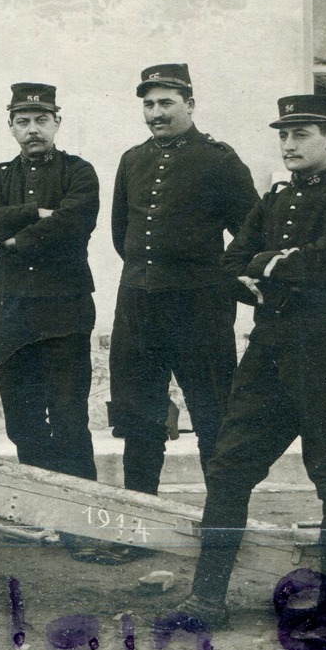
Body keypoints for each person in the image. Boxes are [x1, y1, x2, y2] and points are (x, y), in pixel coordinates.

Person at [170, 95, 326, 630]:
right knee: (229, 468)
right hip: (268, 351)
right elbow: (230, 262)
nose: (289, 144)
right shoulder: (271, 202)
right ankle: (206, 600)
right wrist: (274, 265)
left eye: (302, 134)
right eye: (283, 135)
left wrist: (270, 265)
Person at [108, 63, 259, 507]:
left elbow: (251, 232)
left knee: (213, 415)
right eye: (149, 104)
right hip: (138, 306)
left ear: (190, 105)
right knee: (140, 418)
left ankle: (222, 520)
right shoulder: (132, 160)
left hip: (200, 310)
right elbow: (123, 235)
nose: (156, 113)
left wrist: (216, 278)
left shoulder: (219, 160)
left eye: (166, 103)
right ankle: (141, 516)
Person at [0, 83, 99, 481]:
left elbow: (73, 223)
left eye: (41, 120)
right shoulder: (0, 176)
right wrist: (35, 211)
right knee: (22, 423)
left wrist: (13, 237)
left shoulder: (79, 172)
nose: (33, 129)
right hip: (11, 311)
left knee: (68, 418)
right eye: (23, 121)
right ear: (11, 126)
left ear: (57, 121)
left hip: (64, 311)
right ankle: (43, 509)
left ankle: (80, 517)